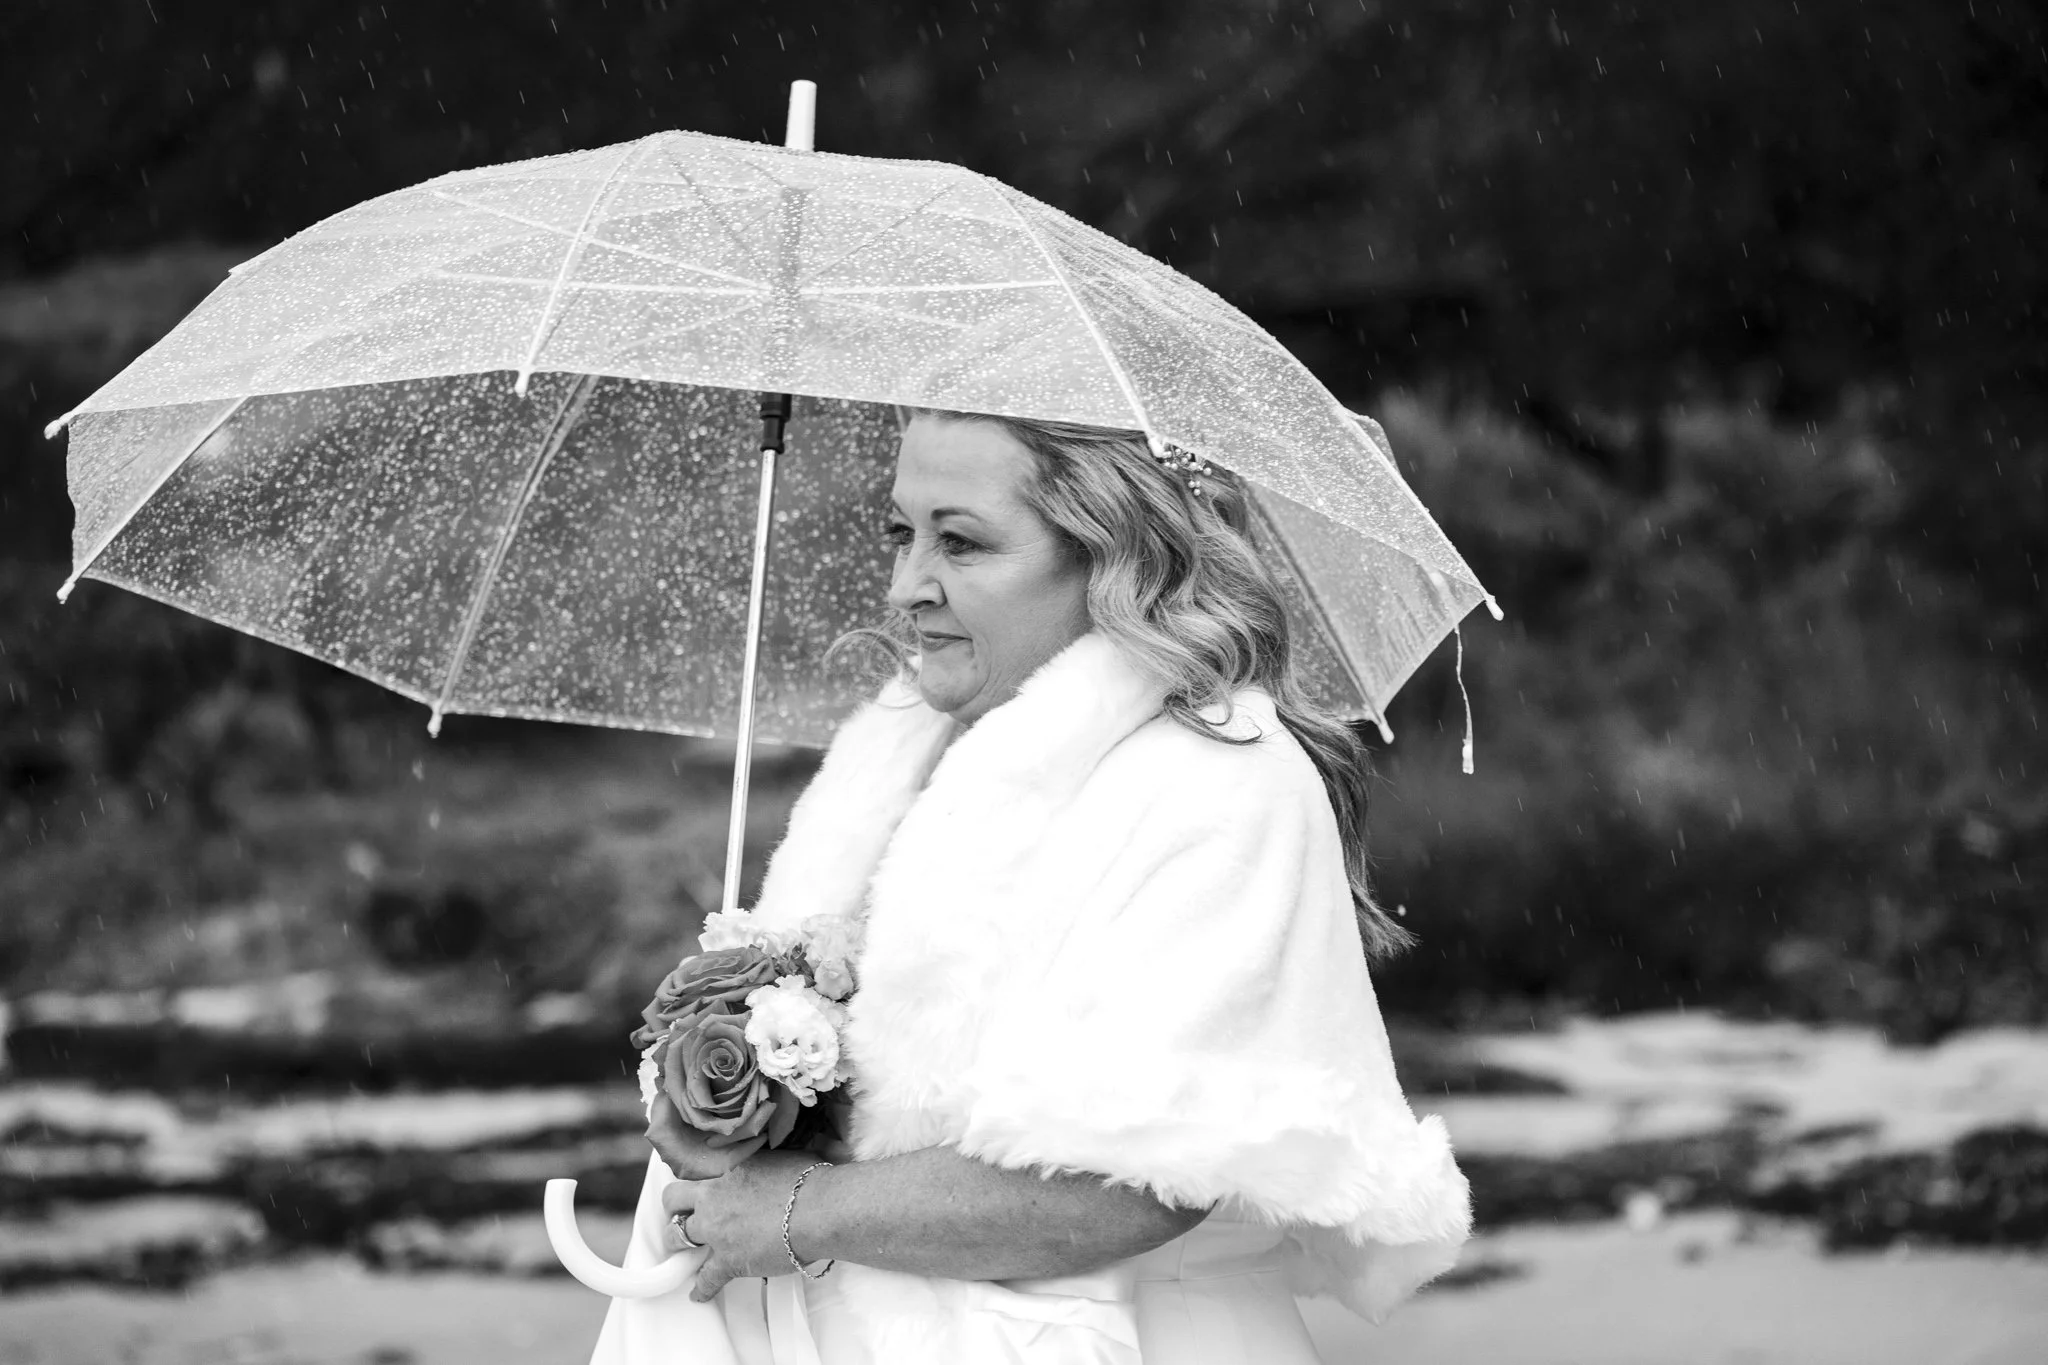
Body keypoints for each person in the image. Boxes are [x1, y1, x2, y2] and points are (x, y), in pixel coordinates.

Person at [622, 409, 1471, 1364]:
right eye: (900, 533)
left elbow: (1131, 1183)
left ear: (1111, 552)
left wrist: (796, 1207)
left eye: (962, 542)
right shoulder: (902, 758)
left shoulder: (1227, 777)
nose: (907, 586)